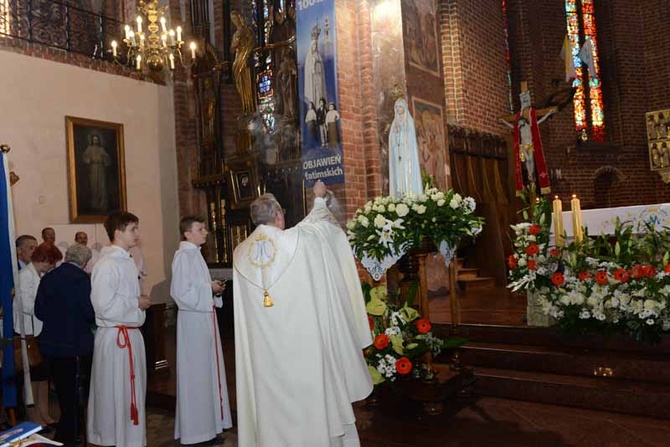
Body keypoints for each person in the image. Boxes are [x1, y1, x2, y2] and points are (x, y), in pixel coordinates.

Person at [233, 180, 372, 447]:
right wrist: (319, 199)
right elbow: (319, 227)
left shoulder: (241, 253)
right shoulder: (298, 241)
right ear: (278, 215)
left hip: (264, 357)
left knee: (271, 404)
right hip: (304, 350)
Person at [87, 211, 151, 447]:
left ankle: (131, 440)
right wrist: (136, 303)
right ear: (117, 233)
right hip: (116, 339)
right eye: (132, 229)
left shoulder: (127, 260)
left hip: (130, 335)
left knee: (131, 393)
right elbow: (102, 306)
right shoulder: (107, 264)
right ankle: (114, 440)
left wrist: (137, 301)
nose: (137, 234)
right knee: (115, 393)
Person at [171, 216, 233, 446]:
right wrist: (210, 288)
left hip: (204, 320)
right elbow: (180, 293)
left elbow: (197, 289)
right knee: (196, 376)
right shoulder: (183, 257)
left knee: (207, 373)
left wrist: (214, 291)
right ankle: (196, 433)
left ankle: (209, 427)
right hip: (193, 323)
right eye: (200, 229)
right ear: (187, 233)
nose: (205, 232)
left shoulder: (195, 256)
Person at [35, 243, 94, 446]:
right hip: (75, 346)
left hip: (51, 346)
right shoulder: (82, 280)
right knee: (76, 396)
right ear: (85, 262)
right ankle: (70, 436)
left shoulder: (49, 277)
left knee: (62, 393)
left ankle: (69, 433)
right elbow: (89, 312)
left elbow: (39, 312)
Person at [14, 242, 62, 427]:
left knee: (43, 376)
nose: (53, 267)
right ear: (44, 260)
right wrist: (49, 306)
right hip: (28, 332)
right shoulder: (25, 276)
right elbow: (25, 305)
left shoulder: (39, 275)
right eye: (52, 263)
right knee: (31, 377)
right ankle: (33, 417)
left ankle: (45, 413)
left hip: (40, 331)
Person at [499, 84, 555, 195]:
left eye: (520, 122)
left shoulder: (530, 126)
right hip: (523, 146)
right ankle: (530, 178)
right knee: (527, 163)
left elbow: (540, 121)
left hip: (530, 145)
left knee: (530, 161)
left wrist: (548, 114)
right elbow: (512, 127)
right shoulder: (519, 128)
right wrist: (504, 121)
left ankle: (532, 178)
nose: (519, 124)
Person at [388, 97, 423, 197]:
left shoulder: (409, 121)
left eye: (400, 107)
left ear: (404, 108)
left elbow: (411, 138)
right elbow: (391, 139)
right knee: (399, 174)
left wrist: (402, 131)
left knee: (407, 173)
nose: (398, 109)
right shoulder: (394, 122)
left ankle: (410, 194)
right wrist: (395, 133)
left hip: (407, 154)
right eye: (397, 107)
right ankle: (401, 194)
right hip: (398, 153)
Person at [230, 11, 256, 115]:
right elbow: (231, 49)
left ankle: (249, 105)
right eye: (233, 20)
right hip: (237, 57)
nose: (235, 22)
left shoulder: (247, 30)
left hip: (245, 57)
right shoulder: (235, 34)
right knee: (238, 81)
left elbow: (252, 43)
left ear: (240, 18)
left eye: (235, 19)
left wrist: (246, 54)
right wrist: (235, 43)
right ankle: (244, 104)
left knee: (246, 80)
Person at [82, 135, 111, 212]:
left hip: (101, 168)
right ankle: (94, 204)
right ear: (92, 140)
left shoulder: (101, 149)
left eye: (97, 139)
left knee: (102, 186)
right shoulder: (89, 148)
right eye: (94, 139)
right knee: (94, 186)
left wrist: (103, 159)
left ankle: (102, 204)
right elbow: (85, 158)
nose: (95, 141)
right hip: (93, 168)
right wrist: (90, 160)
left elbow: (107, 159)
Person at [303, 24, 327, 110]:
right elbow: (309, 70)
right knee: (314, 94)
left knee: (319, 94)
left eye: (316, 46)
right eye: (314, 46)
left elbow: (321, 68)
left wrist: (318, 63)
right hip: (312, 80)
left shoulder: (319, 56)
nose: (315, 47)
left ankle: (320, 107)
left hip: (319, 77)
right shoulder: (309, 58)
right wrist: (313, 67)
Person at [277, 47, 298, 119]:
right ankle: (287, 113)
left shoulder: (291, 62)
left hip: (290, 82)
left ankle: (292, 113)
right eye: (284, 56)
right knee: (285, 98)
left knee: (290, 98)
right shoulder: (282, 63)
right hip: (283, 82)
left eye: (285, 55)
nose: (285, 57)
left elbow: (294, 71)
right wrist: (280, 77)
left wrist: (291, 70)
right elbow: (279, 74)